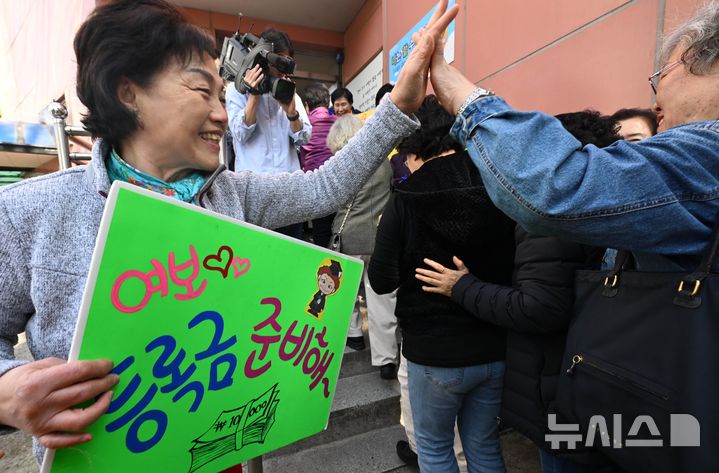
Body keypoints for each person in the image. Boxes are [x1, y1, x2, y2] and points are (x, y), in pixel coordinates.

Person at [0, 0, 459, 464]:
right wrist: (7, 391)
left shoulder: (231, 195)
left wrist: (398, 105)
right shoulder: (30, 213)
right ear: (127, 92)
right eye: (204, 93)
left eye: (223, 96)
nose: (222, 115)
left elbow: (325, 186)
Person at [416, 110, 622, 473]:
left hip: (560, 384)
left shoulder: (552, 217)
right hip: (587, 375)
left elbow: (539, 307)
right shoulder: (607, 205)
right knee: (483, 444)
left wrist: (461, 286)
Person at [369, 95, 516, 473]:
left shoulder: (406, 199)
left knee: (434, 450)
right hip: (493, 346)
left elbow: (381, 280)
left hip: (433, 352)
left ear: (414, 148)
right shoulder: (498, 187)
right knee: (483, 447)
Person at [326, 115, 399, 379]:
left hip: (349, 238)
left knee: (347, 294)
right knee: (381, 299)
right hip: (380, 239)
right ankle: (386, 359)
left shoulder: (342, 165)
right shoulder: (383, 163)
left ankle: (355, 335)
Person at [225, 27, 312, 240]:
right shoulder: (237, 91)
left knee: (291, 259)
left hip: (290, 195)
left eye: (288, 62)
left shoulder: (290, 92)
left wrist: (291, 113)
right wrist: (254, 96)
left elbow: (304, 138)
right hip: (254, 196)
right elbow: (239, 134)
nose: (284, 69)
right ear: (263, 57)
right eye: (280, 61)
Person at [300, 82, 337, 248]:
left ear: (307, 106)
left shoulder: (303, 126)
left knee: (320, 233)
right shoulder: (338, 122)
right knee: (336, 229)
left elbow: (300, 158)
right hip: (338, 184)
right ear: (328, 103)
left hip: (314, 187)